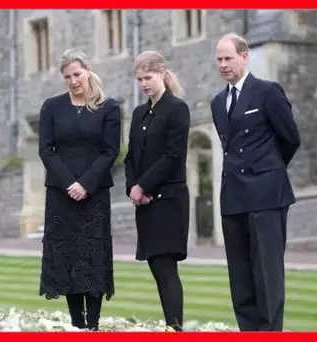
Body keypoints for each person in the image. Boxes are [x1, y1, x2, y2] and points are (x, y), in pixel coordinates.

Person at [210, 32, 301, 332]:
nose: (223, 64)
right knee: (240, 277)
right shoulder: (217, 102)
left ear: (244, 56)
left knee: (267, 275)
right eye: (219, 59)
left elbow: (290, 139)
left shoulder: (267, 92)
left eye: (228, 58)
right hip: (233, 198)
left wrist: (268, 173)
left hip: (266, 197)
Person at [37, 48, 122, 331]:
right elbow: (46, 150)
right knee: (68, 257)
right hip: (61, 195)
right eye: (67, 77)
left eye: (77, 74)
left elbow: (110, 151)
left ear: (87, 70)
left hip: (94, 195)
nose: (73, 81)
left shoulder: (108, 107)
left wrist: (85, 183)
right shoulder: (51, 107)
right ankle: (76, 325)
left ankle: (94, 325)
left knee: (92, 255)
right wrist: (69, 183)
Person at [124, 50, 191, 331]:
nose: (143, 84)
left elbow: (173, 155)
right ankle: (171, 327)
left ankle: (175, 329)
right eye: (139, 79)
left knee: (165, 267)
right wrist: (132, 188)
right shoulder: (140, 113)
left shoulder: (177, 109)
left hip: (169, 201)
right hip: (146, 203)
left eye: (147, 78)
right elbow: (130, 157)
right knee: (156, 266)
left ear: (162, 73)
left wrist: (143, 185)